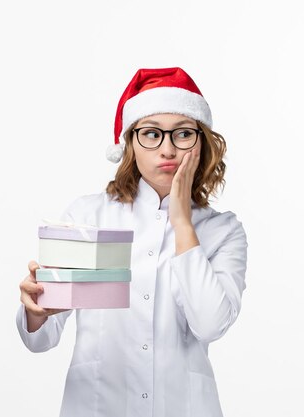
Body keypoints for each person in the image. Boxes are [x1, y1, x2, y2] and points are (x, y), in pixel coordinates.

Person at [17, 67, 248, 417]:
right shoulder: (88, 216)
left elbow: (211, 324)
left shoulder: (223, 231)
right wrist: (35, 312)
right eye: (151, 134)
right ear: (130, 143)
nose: (168, 149)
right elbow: (40, 339)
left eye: (183, 134)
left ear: (200, 143)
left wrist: (183, 221)